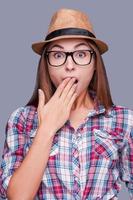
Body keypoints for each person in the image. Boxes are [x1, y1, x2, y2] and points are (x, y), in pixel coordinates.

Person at [0, 8, 133, 200]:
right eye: (58, 55)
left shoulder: (123, 121)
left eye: (80, 54)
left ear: (95, 63)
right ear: (46, 64)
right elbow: (16, 197)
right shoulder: (22, 120)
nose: (69, 66)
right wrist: (47, 128)